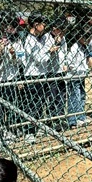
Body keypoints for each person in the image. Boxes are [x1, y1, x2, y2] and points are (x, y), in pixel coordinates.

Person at [0, 17, 25, 142]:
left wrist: (13, 54)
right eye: (8, 26)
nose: (11, 29)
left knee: (11, 108)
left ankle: (11, 129)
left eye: (13, 26)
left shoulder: (18, 40)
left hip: (11, 79)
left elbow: (20, 61)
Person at [20, 15, 55, 143]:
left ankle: (37, 127)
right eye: (42, 24)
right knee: (32, 105)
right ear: (36, 25)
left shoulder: (40, 39)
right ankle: (29, 131)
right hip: (33, 76)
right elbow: (39, 60)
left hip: (43, 74)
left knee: (41, 104)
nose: (44, 27)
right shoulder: (30, 40)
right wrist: (50, 51)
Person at [64, 30, 92, 127]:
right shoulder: (74, 47)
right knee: (74, 97)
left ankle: (81, 117)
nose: (87, 40)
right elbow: (70, 63)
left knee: (82, 97)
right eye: (85, 38)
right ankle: (73, 120)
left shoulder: (84, 47)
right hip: (74, 76)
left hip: (81, 75)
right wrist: (79, 69)